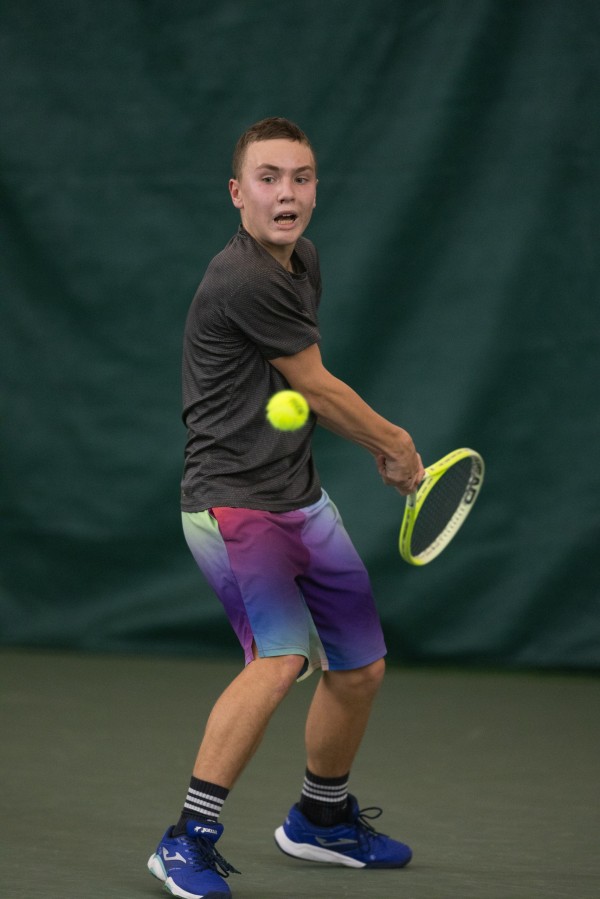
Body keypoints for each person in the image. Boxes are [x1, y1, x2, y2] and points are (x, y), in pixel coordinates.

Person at [147, 116, 424, 899]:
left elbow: (306, 382)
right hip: (233, 504)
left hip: (299, 498)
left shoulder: (303, 260)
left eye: (300, 177)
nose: (286, 193)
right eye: (268, 178)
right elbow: (316, 386)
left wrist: (367, 440)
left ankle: (321, 818)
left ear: (315, 190)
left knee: (360, 665)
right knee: (280, 659)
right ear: (238, 193)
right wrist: (394, 442)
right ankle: (184, 839)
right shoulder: (244, 277)